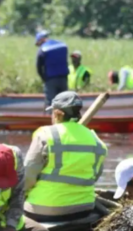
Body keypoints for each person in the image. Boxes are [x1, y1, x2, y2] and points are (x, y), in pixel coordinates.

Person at [24, 91, 108, 222]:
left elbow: (28, 175)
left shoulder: (45, 135)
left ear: (58, 114)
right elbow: (94, 176)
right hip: (83, 209)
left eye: (52, 113)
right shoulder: (96, 141)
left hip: (44, 209)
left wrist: (22, 195)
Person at [35, 31, 70, 107]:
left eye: (38, 43)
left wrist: (44, 79)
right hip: (64, 79)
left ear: (41, 40)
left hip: (51, 80)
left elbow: (39, 68)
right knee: (64, 103)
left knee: (51, 104)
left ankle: (51, 118)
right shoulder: (63, 45)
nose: (39, 45)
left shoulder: (43, 49)